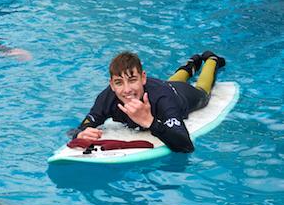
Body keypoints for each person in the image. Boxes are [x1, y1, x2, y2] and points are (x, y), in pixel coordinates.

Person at [71, 50, 227, 153]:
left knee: (203, 92)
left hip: (179, 94)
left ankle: (211, 60)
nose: (126, 90)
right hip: (162, 85)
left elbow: (186, 146)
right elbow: (79, 127)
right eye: (119, 82)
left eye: (132, 80)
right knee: (169, 82)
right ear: (112, 84)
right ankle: (191, 63)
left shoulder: (163, 99)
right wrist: (80, 133)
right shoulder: (107, 97)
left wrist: (150, 122)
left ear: (143, 77)